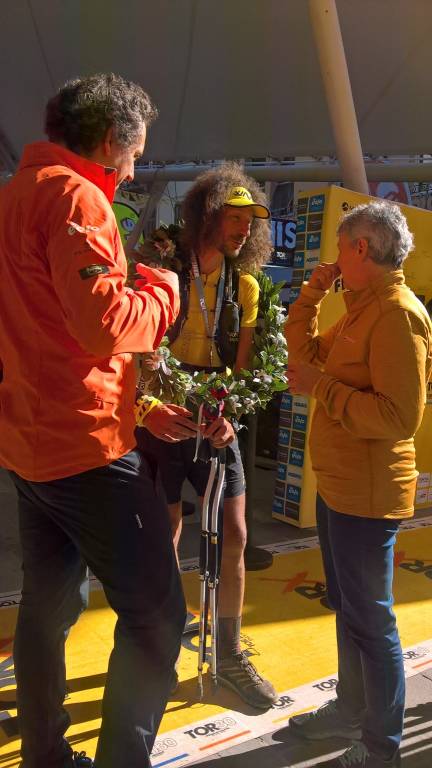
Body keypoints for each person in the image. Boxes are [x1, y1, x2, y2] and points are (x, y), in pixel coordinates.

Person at [0, 73, 186, 768]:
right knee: (159, 618)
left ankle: (45, 754)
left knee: (45, 613)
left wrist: (135, 402)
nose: (135, 170)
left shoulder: (14, 196)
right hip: (87, 453)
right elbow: (106, 323)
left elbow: (46, 332)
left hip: (27, 446)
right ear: (112, 141)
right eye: (136, 155)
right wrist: (163, 291)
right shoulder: (78, 197)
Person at [285, 201, 432, 768]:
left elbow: (399, 417)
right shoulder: (359, 309)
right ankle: (349, 711)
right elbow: (303, 355)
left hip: (368, 496)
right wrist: (310, 297)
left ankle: (380, 749)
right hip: (340, 485)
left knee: (371, 618)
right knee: (350, 607)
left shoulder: (397, 314)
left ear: (361, 249)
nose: (335, 260)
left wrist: (323, 388)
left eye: (340, 248)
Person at [137, 163, 278, 708]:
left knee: (236, 533)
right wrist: (147, 404)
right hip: (163, 406)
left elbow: (242, 369)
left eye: (249, 220)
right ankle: (164, 642)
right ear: (205, 217)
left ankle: (229, 653)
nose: (242, 227)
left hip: (215, 409)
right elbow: (139, 347)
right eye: (232, 217)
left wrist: (230, 414)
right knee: (167, 530)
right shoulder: (164, 267)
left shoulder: (245, 285)